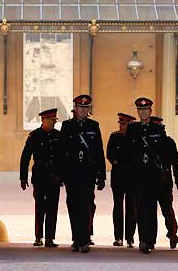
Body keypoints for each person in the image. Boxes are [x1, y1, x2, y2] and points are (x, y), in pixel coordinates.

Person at [60, 95, 106, 253]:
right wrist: (59, 174)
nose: (83, 110)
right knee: (73, 206)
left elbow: (99, 151)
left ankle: (85, 239)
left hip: (88, 173)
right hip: (71, 174)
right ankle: (76, 239)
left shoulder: (94, 126)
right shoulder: (66, 126)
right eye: (81, 107)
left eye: (86, 108)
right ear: (75, 109)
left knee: (86, 206)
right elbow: (61, 150)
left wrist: (102, 176)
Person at [127, 97, 167, 254]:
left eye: (145, 110)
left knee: (151, 209)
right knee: (141, 209)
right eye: (140, 110)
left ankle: (151, 239)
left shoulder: (158, 130)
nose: (143, 112)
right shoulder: (133, 129)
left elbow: (163, 152)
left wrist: (164, 170)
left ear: (150, 111)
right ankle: (143, 240)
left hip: (153, 175)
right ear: (138, 112)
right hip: (138, 176)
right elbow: (128, 152)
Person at [20, 108, 63, 248]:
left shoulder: (58, 135)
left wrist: (62, 176)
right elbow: (25, 157)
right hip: (40, 177)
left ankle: (50, 238)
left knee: (53, 208)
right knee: (40, 207)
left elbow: (63, 158)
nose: (54, 123)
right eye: (51, 120)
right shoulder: (35, 136)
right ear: (43, 120)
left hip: (54, 178)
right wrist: (23, 177)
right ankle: (38, 237)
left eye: (55, 120)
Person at [150, 116, 178, 249]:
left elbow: (176, 162)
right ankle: (171, 233)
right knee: (166, 210)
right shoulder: (169, 141)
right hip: (163, 180)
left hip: (159, 181)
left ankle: (154, 238)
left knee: (157, 211)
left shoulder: (166, 142)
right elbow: (176, 163)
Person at [107, 112, 137, 248]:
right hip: (118, 176)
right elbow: (109, 153)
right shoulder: (114, 137)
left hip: (131, 177)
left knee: (131, 208)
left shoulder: (135, 138)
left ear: (130, 124)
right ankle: (118, 237)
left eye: (123, 124)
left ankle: (130, 237)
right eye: (120, 123)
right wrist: (115, 161)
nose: (121, 126)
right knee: (118, 207)